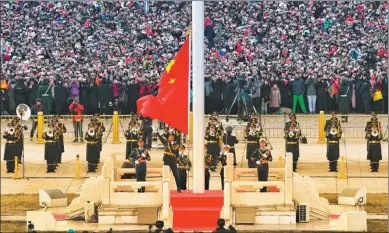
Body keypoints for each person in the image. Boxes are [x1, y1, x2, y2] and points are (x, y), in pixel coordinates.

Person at [155, 128, 181, 193]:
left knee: (176, 174)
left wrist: (177, 160)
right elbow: (161, 138)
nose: (170, 137)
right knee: (165, 174)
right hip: (166, 159)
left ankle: (178, 187)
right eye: (170, 136)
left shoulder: (176, 144)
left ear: (173, 138)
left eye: (172, 136)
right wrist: (157, 133)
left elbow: (177, 152)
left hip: (172, 160)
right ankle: (165, 187)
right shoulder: (166, 142)